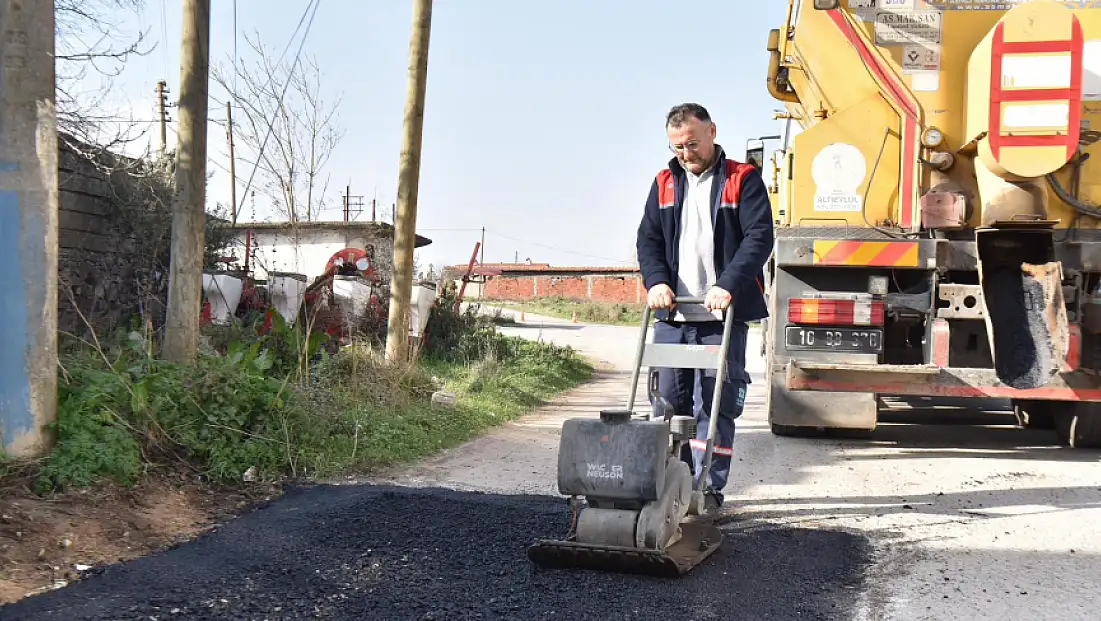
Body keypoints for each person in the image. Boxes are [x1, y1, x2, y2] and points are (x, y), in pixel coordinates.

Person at [635, 103, 774, 513]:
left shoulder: (742, 180)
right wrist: (656, 281)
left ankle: (708, 491)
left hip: (720, 317)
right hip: (674, 314)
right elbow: (649, 241)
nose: (686, 154)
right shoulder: (663, 183)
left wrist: (727, 285)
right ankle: (671, 487)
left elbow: (758, 238)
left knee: (714, 406)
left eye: (692, 144)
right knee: (666, 406)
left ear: (712, 132)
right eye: (678, 147)